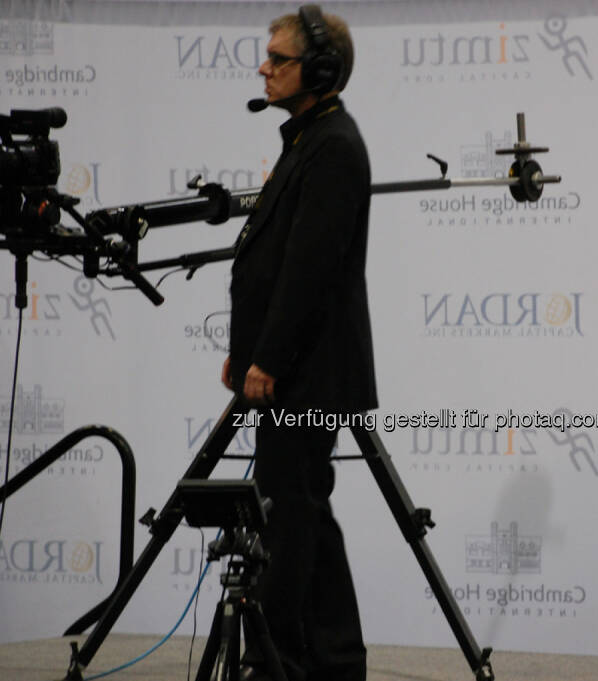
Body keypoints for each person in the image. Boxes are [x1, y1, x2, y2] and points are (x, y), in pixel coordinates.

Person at [221, 5, 377, 681]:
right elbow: (278, 258)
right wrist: (248, 348)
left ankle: (284, 661)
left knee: (290, 515)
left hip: (305, 375)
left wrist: (268, 357)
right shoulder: (308, 137)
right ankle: (330, 659)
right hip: (290, 368)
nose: (265, 67)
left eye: (278, 59)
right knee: (302, 509)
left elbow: (308, 272)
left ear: (318, 70)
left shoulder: (333, 145)